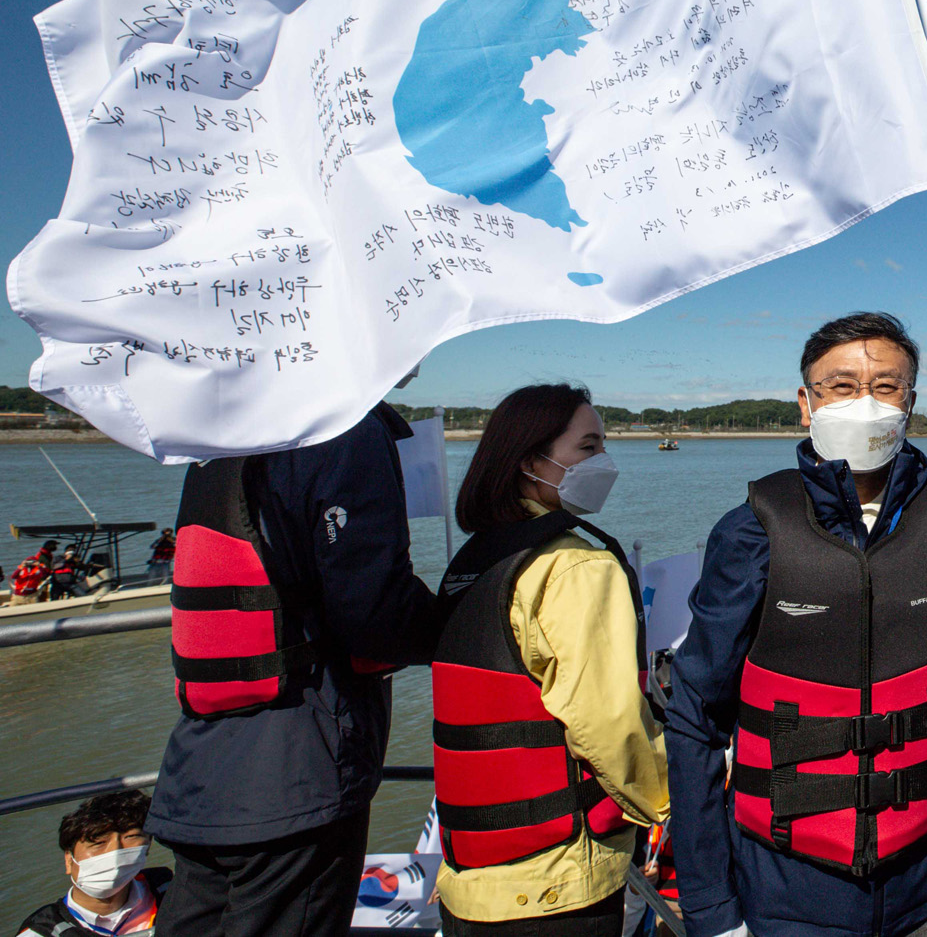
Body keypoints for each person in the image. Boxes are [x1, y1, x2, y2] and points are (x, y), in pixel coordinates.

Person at [666, 312, 927, 937]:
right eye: (842, 386)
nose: (864, 402)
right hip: (787, 891)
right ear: (805, 403)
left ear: (911, 403)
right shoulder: (751, 531)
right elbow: (693, 718)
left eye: (886, 386)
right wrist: (711, 908)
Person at [149, 399, 442, 937]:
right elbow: (372, 610)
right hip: (300, 766)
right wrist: (457, 621)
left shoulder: (225, 424)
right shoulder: (344, 423)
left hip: (202, 768)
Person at [431, 383, 669, 935]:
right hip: (559, 882)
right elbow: (608, 721)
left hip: (470, 876)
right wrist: (668, 801)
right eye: (588, 447)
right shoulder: (577, 568)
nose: (603, 461)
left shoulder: (477, 559)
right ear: (530, 461)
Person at [17, 789, 172, 936]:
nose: (115, 852)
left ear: (147, 846)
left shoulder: (170, 891)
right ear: (69, 860)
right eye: (98, 842)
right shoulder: (42, 932)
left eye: (130, 837)